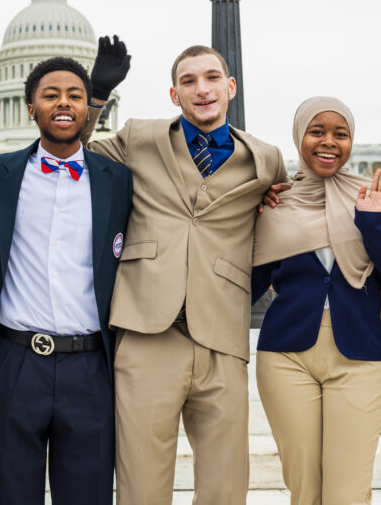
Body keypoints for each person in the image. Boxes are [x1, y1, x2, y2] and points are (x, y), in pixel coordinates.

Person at [83, 39, 288, 504]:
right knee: (141, 482)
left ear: (230, 87)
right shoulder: (139, 137)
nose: (202, 89)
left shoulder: (266, 159)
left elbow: (290, 212)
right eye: (188, 81)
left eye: (212, 78)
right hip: (145, 331)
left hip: (222, 333)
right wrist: (97, 95)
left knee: (226, 484)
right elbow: (74, 153)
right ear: (174, 94)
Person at [0, 58, 132, 505]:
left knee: (88, 495)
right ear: (30, 107)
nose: (63, 103)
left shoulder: (118, 180)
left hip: (91, 365)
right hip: (14, 362)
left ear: (88, 109)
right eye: (50, 95)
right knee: (10, 494)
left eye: (75, 96)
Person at [251, 96, 381, 505]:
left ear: (351, 142)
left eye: (340, 134)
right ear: (300, 137)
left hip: (358, 356)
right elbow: (251, 286)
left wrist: (373, 223)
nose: (328, 142)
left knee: (348, 492)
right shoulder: (278, 202)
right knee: (305, 488)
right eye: (317, 132)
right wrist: (251, 215)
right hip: (286, 357)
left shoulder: (376, 199)